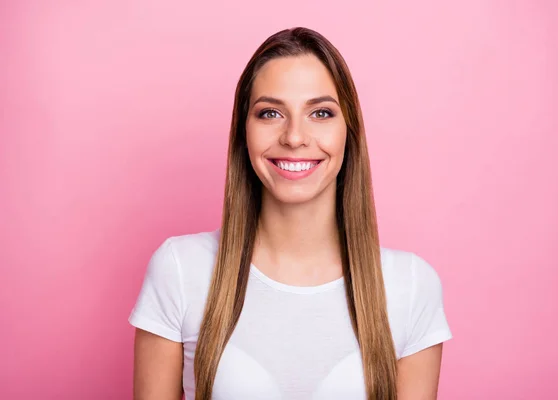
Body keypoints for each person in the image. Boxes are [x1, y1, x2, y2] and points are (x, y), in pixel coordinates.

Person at [129, 27, 452, 400]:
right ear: (243, 133)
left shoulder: (410, 286)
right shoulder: (180, 270)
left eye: (320, 112)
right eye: (270, 113)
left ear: (349, 132)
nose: (294, 137)